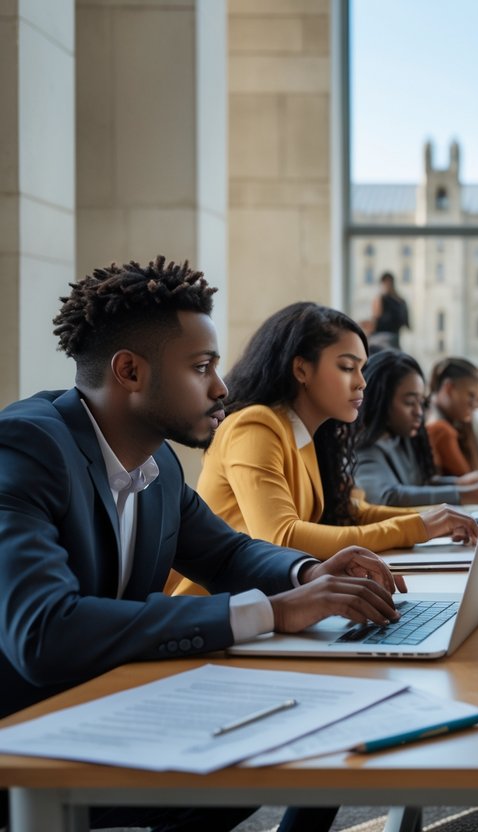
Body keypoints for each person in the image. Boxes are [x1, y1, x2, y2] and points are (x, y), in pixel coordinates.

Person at [0, 258, 406, 832]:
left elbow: (228, 553)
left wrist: (307, 575)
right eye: (202, 367)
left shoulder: (158, 462)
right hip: (25, 734)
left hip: (111, 700)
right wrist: (268, 612)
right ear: (129, 371)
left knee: (306, 724)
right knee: (239, 770)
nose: (221, 387)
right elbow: (43, 631)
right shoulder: (28, 446)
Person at [179, 303, 477, 591]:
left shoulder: (306, 434)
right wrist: (417, 527)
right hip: (218, 609)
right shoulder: (254, 425)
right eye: (348, 367)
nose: (361, 382)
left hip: (272, 598)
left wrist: (435, 518)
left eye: (362, 369)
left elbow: (351, 511)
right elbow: (281, 537)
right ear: (301, 370)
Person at [355, 350, 478, 507]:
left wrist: (459, 483)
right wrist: (462, 494)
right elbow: (387, 496)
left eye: (420, 402)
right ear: (380, 401)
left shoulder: (404, 437)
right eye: (409, 402)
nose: (419, 412)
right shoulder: (364, 447)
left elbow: (419, 484)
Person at [427, 357, 478, 477]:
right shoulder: (439, 429)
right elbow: (466, 478)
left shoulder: (457, 422)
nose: (476, 405)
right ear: (448, 389)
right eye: (471, 396)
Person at [369, 271, 409, 349]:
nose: (387, 285)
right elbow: (376, 317)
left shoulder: (399, 301)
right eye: (385, 282)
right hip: (383, 336)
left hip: (390, 337)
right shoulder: (380, 298)